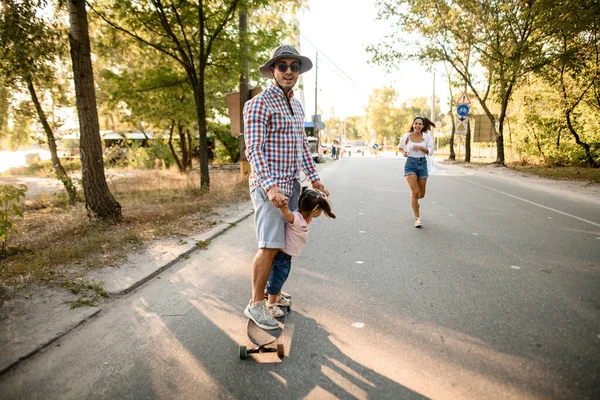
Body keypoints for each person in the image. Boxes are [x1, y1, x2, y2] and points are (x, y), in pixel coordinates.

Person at [243, 44, 329, 330]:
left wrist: (313, 177)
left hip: (291, 184)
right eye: (283, 66)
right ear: (272, 71)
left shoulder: (296, 104)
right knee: (270, 245)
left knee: (283, 249)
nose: (289, 71)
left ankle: (272, 297)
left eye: (294, 66)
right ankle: (255, 305)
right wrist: (269, 187)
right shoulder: (258, 104)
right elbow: (253, 150)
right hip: (269, 187)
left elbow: (302, 145)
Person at [265, 189, 336, 317]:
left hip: (288, 256)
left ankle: (278, 297)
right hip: (282, 256)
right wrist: (282, 205)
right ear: (315, 211)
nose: (320, 212)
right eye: (320, 210)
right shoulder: (296, 218)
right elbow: (285, 212)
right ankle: (271, 304)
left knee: (282, 278)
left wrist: (321, 197)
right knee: (277, 279)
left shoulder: (306, 217)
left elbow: (313, 198)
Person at [398, 116, 434, 228]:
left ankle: (414, 201)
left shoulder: (427, 137)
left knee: (421, 194)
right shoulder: (406, 137)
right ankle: (417, 219)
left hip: (422, 164)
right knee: (415, 192)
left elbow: (431, 152)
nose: (417, 125)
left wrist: (421, 148)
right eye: (416, 123)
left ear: (423, 126)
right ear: (413, 125)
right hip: (410, 164)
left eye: (420, 124)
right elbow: (400, 147)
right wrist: (403, 152)